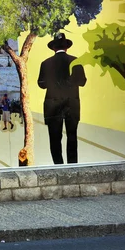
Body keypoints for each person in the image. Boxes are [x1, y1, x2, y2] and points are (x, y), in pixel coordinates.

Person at [38, 33, 86, 164]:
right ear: (67, 47)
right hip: (71, 103)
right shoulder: (76, 61)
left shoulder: (46, 63)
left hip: (53, 104)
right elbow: (82, 82)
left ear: (53, 48)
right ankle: (72, 166)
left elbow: (41, 84)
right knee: (72, 136)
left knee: (54, 138)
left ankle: (58, 166)